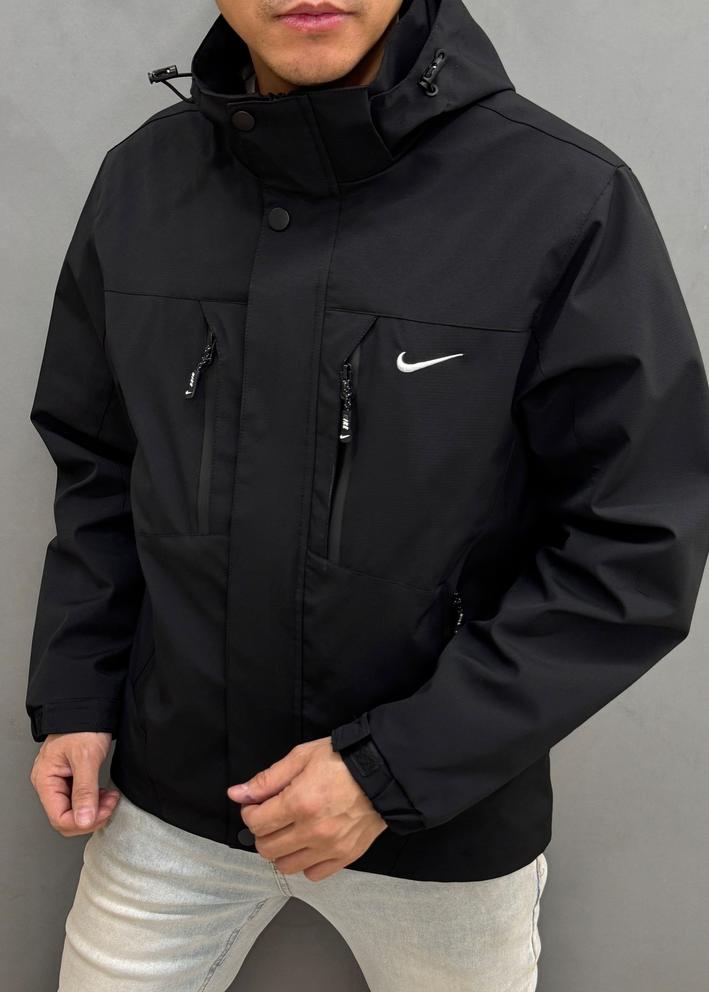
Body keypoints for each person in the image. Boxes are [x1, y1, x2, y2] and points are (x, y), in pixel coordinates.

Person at [25, 1, 709, 990]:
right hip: (168, 804)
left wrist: (394, 768)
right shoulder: (143, 180)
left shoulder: (560, 196)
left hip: (438, 826)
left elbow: (637, 538)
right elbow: (99, 464)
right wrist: (78, 694)